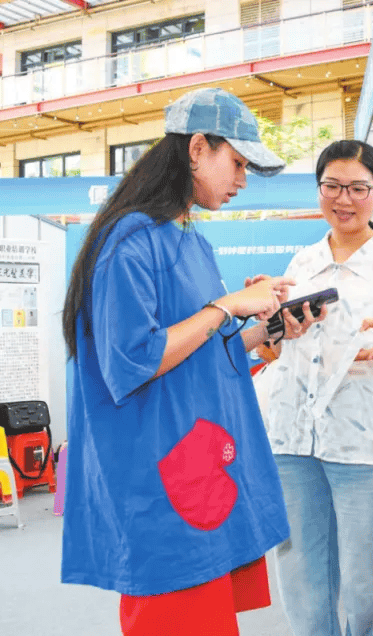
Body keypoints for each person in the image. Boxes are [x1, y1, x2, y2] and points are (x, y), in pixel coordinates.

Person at [60, 86, 324, 636]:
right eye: (238, 163)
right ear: (198, 148)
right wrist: (225, 306)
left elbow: (200, 348)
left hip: (200, 472)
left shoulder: (189, 241)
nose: (243, 180)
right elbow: (134, 360)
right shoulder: (130, 241)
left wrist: (263, 328)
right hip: (161, 481)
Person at [253, 139, 373, 636]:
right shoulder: (302, 264)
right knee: (303, 584)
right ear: (318, 189)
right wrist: (271, 332)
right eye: (332, 186)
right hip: (295, 441)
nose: (344, 200)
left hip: (369, 447)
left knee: (371, 589)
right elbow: (278, 351)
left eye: (358, 188)